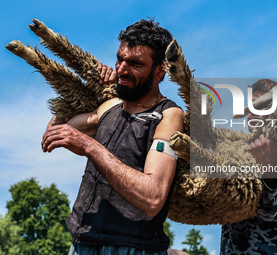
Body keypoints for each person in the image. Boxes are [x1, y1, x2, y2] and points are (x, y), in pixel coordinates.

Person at [41, 19, 184, 255]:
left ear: (160, 71)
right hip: (79, 244)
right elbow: (54, 131)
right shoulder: (110, 106)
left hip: (133, 248)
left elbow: (153, 197)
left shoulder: (168, 115)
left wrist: (89, 146)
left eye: (135, 64)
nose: (121, 69)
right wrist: (90, 88)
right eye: (120, 59)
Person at [220, 79, 277, 255]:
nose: (253, 112)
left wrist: (269, 166)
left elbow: (270, 211)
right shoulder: (238, 157)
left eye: (262, 105)